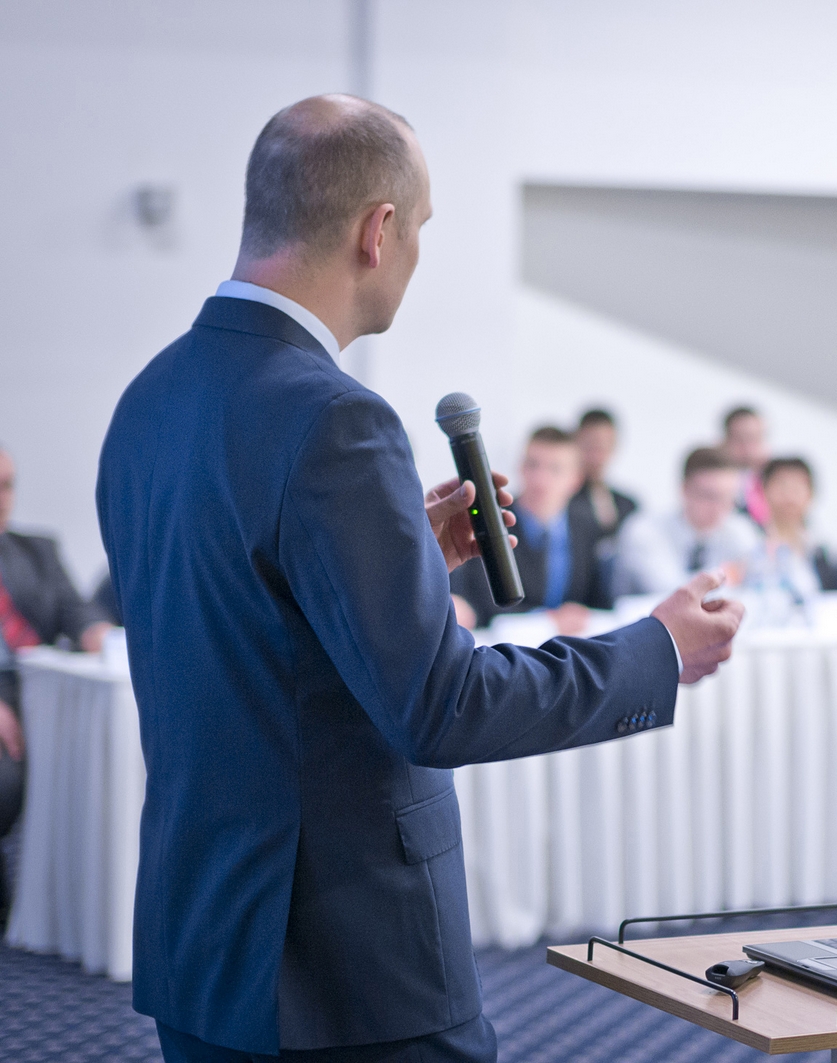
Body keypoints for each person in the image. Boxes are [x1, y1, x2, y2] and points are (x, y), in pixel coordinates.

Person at [95, 95, 743, 1063]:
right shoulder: (333, 419)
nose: (417, 255)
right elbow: (438, 706)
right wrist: (657, 650)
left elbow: (235, 623)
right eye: (424, 228)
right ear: (377, 229)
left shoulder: (153, 393)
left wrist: (393, 555)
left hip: (205, 930)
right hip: (339, 958)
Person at [0, 446, 114, 928]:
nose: (2, 497)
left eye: (7, 485)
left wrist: (99, 636)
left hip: (42, 688)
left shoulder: (36, 549)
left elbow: (77, 610)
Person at [450, 426, 609, 634]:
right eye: (532, 465)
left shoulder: (585, 526)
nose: (540, 480)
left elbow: (596, 599)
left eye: (555, 469)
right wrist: (549, 621)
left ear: (576, 480)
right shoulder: (493, 522)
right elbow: (484, 605)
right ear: (521, 468)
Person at [613, 447, 763, 597]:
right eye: (710, 496)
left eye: (729, 497)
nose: (720, 508)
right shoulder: (644, 531)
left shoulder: (739, 528)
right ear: (684, 490)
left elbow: (759, 581)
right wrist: (725, 575)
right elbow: (670, 593)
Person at [751, 457, 836, 598]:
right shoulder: (751, 541)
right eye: (782, 486)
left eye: (797, 488)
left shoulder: (820, 550)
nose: (789, 496)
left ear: (810, 494)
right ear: (764, 490)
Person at [569, 407, 638, 537]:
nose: (598, 456)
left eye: (605, 446)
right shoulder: (560, 503)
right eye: (591, 446)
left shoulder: (627, 506)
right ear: (575, 443)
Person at [722, 406, 771, 527]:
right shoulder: (711, 482)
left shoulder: (772, 483)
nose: (748, 448)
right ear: (725, 441)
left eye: (754, 439)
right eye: (740, 439)